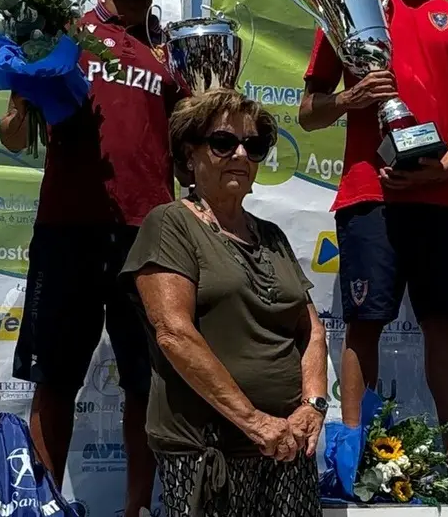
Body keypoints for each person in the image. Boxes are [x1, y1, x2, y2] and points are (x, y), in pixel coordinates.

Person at [298, 0, 448, 472]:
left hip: (443, 192)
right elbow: (310, 111)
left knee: (441, 321)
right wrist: (351, 99)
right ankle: (358, 445)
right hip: (371, 193)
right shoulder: (347, 14)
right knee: (366, 321)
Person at [0, 0, 183, 515]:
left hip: (151, 237)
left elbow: (186, 153)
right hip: (68, 229)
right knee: (56, 380)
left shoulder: (175, 52)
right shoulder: (62, 35)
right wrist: (21, 97)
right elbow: (9, 136)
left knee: (146, 384)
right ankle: (44, 507)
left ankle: (137, 510)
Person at [125, 90, 327, 517]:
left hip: (288, 448)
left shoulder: (272, 235)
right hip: (208, 452)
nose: (240, 153)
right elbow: (174, 334)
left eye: (253, 146)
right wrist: (254, 421)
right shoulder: (170, 224)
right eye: (222, 142)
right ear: (189, 152)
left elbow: (312, 331)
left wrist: (312, 405)